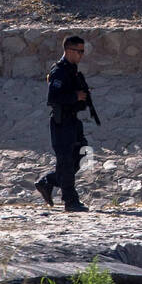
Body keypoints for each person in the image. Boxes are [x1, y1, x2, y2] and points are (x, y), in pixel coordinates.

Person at [34, 35, 92, 212]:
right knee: (65, 161)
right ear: (68, 50)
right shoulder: (59, 71)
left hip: (73, 120)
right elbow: (53, 98)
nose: (81, 55)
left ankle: (49, 181)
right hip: (62, 122)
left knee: (82, 156)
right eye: (79, 51)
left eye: (83, 51)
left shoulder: (71, 70)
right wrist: (75, 96)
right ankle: (70, 201)